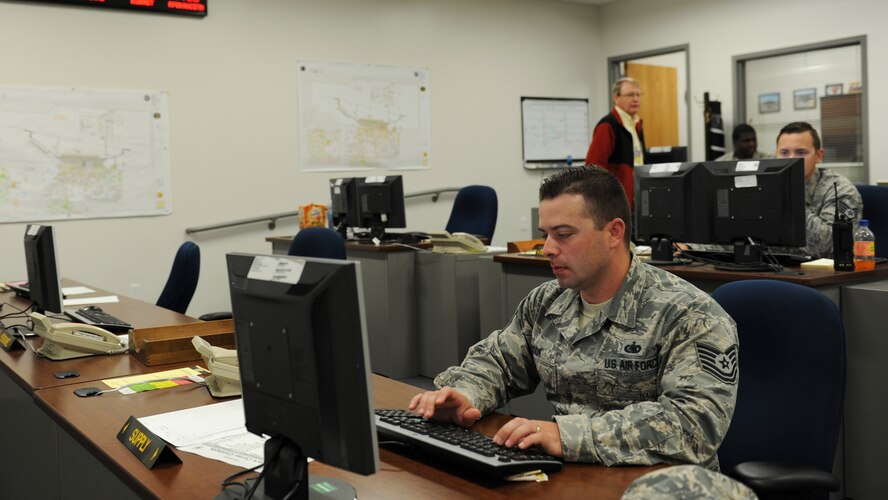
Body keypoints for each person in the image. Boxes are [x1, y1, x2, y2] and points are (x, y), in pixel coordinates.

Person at [410, 166, 738, 469]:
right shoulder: (547, 301)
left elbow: (694, 424)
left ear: (613, 232)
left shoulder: (689, 313)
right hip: (573, 474)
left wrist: (567, 436)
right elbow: (499, 362)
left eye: (563, 234)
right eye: (546, 234)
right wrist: (466, 394)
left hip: (658, 484)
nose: (548, 248)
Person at [685, 121, 862, 258]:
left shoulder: (841, 190)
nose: (792, 160)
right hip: (765, 272)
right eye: (784, 153)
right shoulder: (760, 186)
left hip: (816, 280)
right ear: (775, 154)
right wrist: (692, 248)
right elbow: (735, 234)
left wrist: (789, 196)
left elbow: (829, 247)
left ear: (819, 156)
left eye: (800, 152)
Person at [585, 77, 645, 207]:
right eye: (630, 95)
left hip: (637, 201)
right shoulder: (607, 125)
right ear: (616, 98)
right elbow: (593, 167)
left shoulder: (637, 125)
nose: (635, 99)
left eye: (638, 95)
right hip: (615, 203)